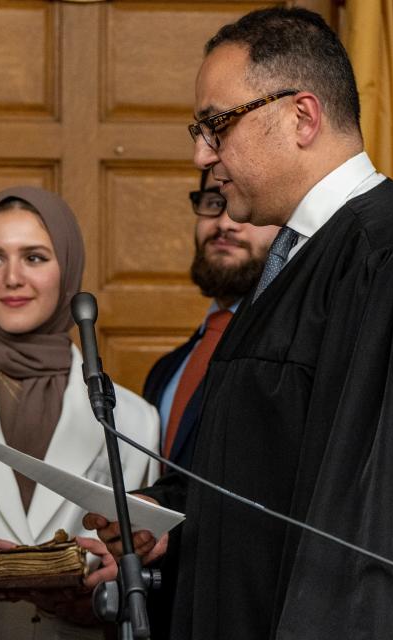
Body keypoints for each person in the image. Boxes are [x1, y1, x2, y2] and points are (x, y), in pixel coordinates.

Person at [87, 7, 393, 640]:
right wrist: (170, 516)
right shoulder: (295, 262)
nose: (201, 155)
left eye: (216, 125)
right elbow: (282, 473)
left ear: (303, 116)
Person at [0, 186, 161, 639]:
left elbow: (140, 564)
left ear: (68, 268)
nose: (12, 278)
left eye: (35, 258)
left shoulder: (133, 418)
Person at [140, 170, 276, 639]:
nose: (226, 223)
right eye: (213, 205)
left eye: (244, 208)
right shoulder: (166, 370)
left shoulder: (286, 366)